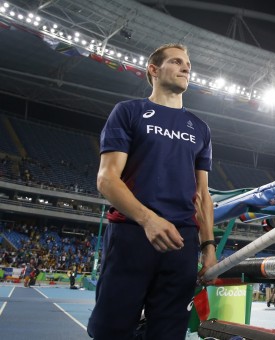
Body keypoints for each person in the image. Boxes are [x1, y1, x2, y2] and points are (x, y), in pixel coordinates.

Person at [87, 43, 216, 340]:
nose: (186, 67)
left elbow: (202, 195)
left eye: (188, 64)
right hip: (132, 234)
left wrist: (208, 248)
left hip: (181, 244)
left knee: (169, 333)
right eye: (176, 61)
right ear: (154, 70)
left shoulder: (200, 128)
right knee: (111, 329)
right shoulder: (128, 112)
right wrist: (148, 219)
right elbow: (107, 179)